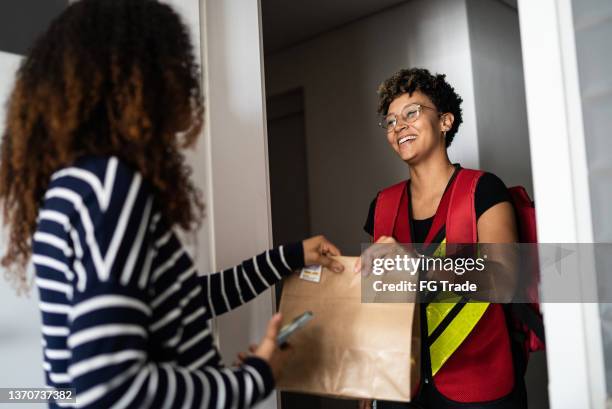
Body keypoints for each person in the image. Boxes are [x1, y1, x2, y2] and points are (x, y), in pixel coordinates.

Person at [0, 1, 344, 408]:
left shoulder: (75, 186)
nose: (187, 78)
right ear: (136, 78)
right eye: (176, 62)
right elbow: (108, 388)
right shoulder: (111, 187)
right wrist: (254, 379)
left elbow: (183, 302)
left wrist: (289, 256)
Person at [357, 68, 526, 408]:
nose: (398, 126)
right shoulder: (381, 205)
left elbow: (505, 281)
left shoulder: (484, 190)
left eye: (411, 113)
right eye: (390, 121)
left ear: (445, 121)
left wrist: (416, 264)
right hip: (401, 386)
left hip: (478, 383)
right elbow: (376, 297)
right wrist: (368, 380)